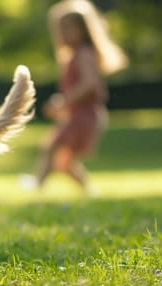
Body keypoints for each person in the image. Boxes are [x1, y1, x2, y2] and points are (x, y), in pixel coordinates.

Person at [24, 0, 127, 193]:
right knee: (63, 161)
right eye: (60, 29)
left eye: (68, 28)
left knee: (51, 148)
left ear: (83, 29)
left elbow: (90, 84)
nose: (63, 33)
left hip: (85, 115)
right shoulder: (75, 55)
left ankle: (37, 185)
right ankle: (89, 190)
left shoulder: (83, 54)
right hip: (80, 114)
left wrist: (64, 102)